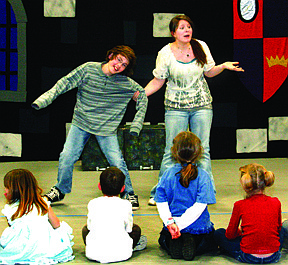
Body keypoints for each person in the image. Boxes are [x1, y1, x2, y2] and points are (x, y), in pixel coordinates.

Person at [140, 14, 244, 206]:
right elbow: (158, 81)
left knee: (203, 149)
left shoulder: (200, 46)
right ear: (173, 33)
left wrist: (223, 66)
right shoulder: (165, 53)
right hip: (175, 107)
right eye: (181, 28)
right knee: (172, 150)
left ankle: (206, 192)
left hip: (201, 104)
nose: (187, 30)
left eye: (188, 27)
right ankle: (159, 192)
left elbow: (209, 72)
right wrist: (141, 94)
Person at [32, 45, 148, 210]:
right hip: (81, 123)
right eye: (119, 60)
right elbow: (65, 82)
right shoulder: (88, 69)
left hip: (106, 128)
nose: (119, 66)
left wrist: (136, 125)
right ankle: (60, 189)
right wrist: (44, 100)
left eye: (124, 65)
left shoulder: (125, 83)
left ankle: (128, 192)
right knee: (67, 156)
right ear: (111, 55)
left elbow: (142, 96)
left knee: (117, 161)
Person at [154, 131, 217, 261]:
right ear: (199, 152)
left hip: (173, 227)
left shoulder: (167, 174)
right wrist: (182, 225)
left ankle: (174, 242)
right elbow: (200, 205)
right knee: (212, 240)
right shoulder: (204, 176)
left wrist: (172, 223)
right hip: (198, 227)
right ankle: (193, 242)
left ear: (174, 152)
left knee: (162, 239)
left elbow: (161, 201)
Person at [214, 163, 286, 264]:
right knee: (283, 228)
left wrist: (241, 232)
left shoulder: (240, 204)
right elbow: (278, 228)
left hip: (248, 256)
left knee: (219, 233)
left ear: (244, 184)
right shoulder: (276, 202)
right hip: (273, 256)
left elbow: (230, 235)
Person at [0, 169, 74, 264]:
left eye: (6, 187)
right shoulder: (43, 202)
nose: (5, 190)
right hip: (43, 246)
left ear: (13, 190)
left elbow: (13, 229)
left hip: (20, 247)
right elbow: (56, 224)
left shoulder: (10, 208)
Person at [82, 167, 147, 263]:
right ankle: (133, 246)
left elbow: (90, 227)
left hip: (93, 254)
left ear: (99, 186)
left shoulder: (93, 203)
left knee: (85, 229)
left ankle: (95, 246)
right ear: (123, 188)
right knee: (136, 229)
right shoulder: (126, 204)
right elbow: (129, 229)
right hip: (122, 254)